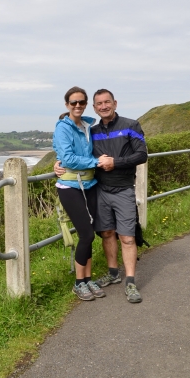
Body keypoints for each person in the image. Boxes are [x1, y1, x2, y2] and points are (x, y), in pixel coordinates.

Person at [55, 88, 148, 304]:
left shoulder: (130, 125)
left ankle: (130, 282)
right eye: (99, 104)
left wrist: (116, 162)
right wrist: (59, 162)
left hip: (122, 188)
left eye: (107, 102)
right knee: (106, 233)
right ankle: (112, 273)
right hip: (99, 189)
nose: (104, 106)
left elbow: (142, 155)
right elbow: (78, 154)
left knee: (127, 237)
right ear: (95, 108)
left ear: (115, 103)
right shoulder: (92, 130)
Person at [53, 86, 111, 301]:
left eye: (81, 102)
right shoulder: (63, 127)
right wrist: (95, 162)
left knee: (89, 234)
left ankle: (87, 279)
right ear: (67, 105)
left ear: (86, 104)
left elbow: (69, 153)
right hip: (70, 187)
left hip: (90, 184)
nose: (78, 105)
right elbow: (67, 158)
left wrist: (58, 160)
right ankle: (79, 283)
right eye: (73, 102)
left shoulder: (87, 125)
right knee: (86, 234)